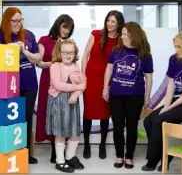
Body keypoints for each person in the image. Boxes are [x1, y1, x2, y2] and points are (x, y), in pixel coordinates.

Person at [141, 31, 182, 172]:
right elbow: (171, 85)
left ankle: (152, 161)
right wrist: (166, 106)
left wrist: (168, 109)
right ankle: (164, 156)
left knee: (159, 120)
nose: (176, 50)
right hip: (176, 99)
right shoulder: (174, 59)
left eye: (179, 47)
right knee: (148, 121)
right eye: (175, 46)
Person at [0, 7, 41, 164]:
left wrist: (24, 51)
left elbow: (37, 58)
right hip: (9, 85)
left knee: (26, 119)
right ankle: (12, 152)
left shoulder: (29, 35)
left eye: (20, 20)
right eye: (15, 21)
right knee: (12, 120)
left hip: (30, 84)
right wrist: (9, 48)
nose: (18, 24)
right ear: (7, 21)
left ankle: (25, 153)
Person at [103, 22, 153, 169]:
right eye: (122, 34)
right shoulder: (116, 50)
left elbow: (148, 77)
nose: (122, 37)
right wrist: (105, 88)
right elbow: (109, 70)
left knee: (131, 127)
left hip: (135, 96)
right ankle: (120, 156)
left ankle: (129, 157)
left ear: (133, 36)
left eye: (125, 34)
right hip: (116, 95)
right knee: (118, 127)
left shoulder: (145, 54)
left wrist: (147, 97)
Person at [81, 10, 125, 159]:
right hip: (90, 78)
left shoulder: (120, 41)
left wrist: (113, 83)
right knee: (88, 113)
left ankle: (102, 145)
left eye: (113, 21)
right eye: (108, 20)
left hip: (108, 81)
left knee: (105, 114)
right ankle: (86, 144)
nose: (109, 24)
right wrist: (83, 75)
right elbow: (85, 55)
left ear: (119, 24)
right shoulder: (96, 34)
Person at [35, 14, 74, 163]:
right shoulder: (44, 40)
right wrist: (53, 64)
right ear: (58, 25)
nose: (66, 31)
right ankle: (54, 150)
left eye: (69, 29)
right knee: (50, 113)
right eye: (64, 27)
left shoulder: (69, 43)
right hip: (48, 81)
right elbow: (39, 62)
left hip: (65, 82)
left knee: (62, 114)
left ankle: (60, 150)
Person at [46, 39, 86, 173]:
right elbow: (58, 85)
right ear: (59, 52)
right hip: (59, 101)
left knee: (74, 131)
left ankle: (70, 156)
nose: (68, 55)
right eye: (65, 52)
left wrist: (76, 93)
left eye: (71, 52)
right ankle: (60, 161)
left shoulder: (76, 66)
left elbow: (83, 84)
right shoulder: (55, 65)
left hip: (72, 103)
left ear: (75, 53)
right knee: (61, 132)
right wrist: (77, 87)